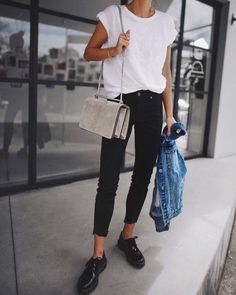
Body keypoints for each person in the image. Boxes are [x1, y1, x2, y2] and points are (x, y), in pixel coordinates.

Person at [77, 1, 178, 293]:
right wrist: (114, 50)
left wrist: (169, 114)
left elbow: (166, 73)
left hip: (151, 106)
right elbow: (88, 52)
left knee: (142, 175)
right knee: (108, 179)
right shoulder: (113, 15)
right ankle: (97, 255)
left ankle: (127, 237)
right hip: (119, 102)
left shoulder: (166, 24)